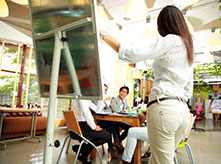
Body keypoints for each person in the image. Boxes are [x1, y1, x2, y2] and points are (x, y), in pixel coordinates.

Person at [99, 5, 193, 164]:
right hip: (182, 111)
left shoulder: (171, 40)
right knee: (160, 159)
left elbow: (130, 53)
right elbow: (188, 89)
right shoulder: (188, 46)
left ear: (163, 24)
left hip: (165, 110)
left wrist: (102, 34)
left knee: (160, 161)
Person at [71, 100, 110, 164]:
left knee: (103, 135)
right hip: (80, 127)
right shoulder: (82, 96)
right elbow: (85, 111)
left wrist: (101, 100)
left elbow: (97, 110)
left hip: (77, 127)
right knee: (107, 136)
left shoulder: (86, 97)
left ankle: (82, 152)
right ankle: (81, 150)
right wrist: (94, 127)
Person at [95, 84, 120, 159]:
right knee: (111, 126)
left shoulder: (103, 99)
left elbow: (108, 109)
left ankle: (114, 144)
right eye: (104, 89)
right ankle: (114, 145)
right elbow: (96, 110)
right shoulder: (96, 98)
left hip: (104, 119)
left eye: (106, 90)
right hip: (97, 121)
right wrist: (104, 101)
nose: (105, 91)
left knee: (115, 123)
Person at [110, 86, 132, 151]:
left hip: (121, 120)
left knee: (130, 128)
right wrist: (123, 110)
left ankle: (118, 141)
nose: (123, 93)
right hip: (113, 120)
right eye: (122, 91)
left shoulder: (125, 100)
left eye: (125, 92)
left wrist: (124, 110)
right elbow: (115, 109)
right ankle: (117, 142)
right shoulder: (113, 99)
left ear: (127, 94)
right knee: (115, 123)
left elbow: (129, 108)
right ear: (119, 92)